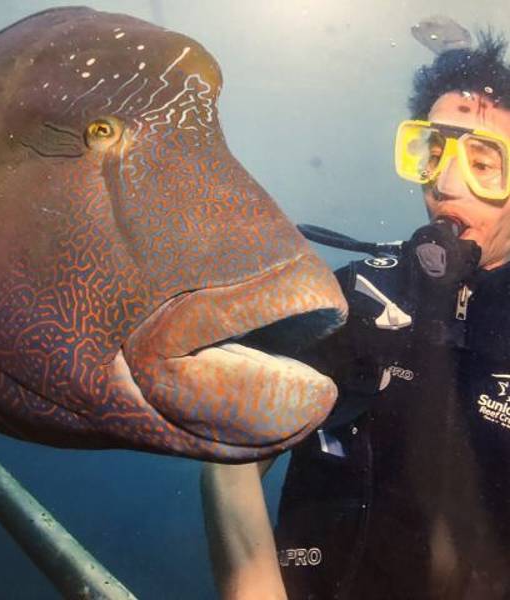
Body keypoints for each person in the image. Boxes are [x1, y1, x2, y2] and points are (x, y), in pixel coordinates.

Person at [201, 33, 510, 600]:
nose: (445, 185)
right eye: (432, 153)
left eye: (484, 163)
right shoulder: (358, 296)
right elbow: (230, 459)